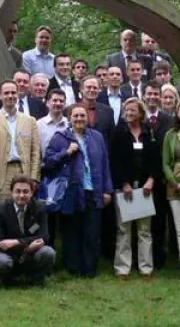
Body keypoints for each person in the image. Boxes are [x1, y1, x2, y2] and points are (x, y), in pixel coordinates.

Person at [44, 103, 112, 278]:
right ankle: (72, 268)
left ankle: (89, 269)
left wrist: (107, 190)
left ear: (88, 118)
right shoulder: (60, 137)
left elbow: (105, 165)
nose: (80, 119)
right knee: (71, 231)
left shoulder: (96, 137)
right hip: (71, 192)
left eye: (83, 115)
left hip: (93, 191)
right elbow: (49, 162)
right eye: (76, 116)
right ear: (70, 118)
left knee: (92, 232)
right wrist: (66, 152)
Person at [110, 97, 160, 280]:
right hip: (125, 189)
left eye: (133, 110)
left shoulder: (149, 133)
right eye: (127, 110)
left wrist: (151, 181)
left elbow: (156, 160)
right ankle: (123, 268)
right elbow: (114, 161)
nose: (129, 113)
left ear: (140, 113)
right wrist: (124, 183)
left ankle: (146, 268)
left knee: (144, 230)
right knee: (124, 230)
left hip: (145, 188)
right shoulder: (119, 133)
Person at [0, 175, 55, 286]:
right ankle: (7, 280)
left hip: (32, 255)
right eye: (18, 191)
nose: (21, 195)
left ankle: (37, 279)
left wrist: (16, 242)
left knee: (48, 252)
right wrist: (27, 247)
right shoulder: (1, 209)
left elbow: (44, 236)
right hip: (10, 255)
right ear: (12, 192)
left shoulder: (40, 208)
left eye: (25, 192)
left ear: (32, 193)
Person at [0, 81, 42, 207]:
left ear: (18, 94)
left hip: (23, 170)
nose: (10, 96)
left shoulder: (30, 120)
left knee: (24, 213)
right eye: (6, 93)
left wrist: (34, 177)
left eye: (13, 92)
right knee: (0, 211)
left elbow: (35, 152)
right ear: (0, 96)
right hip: (1, 173)